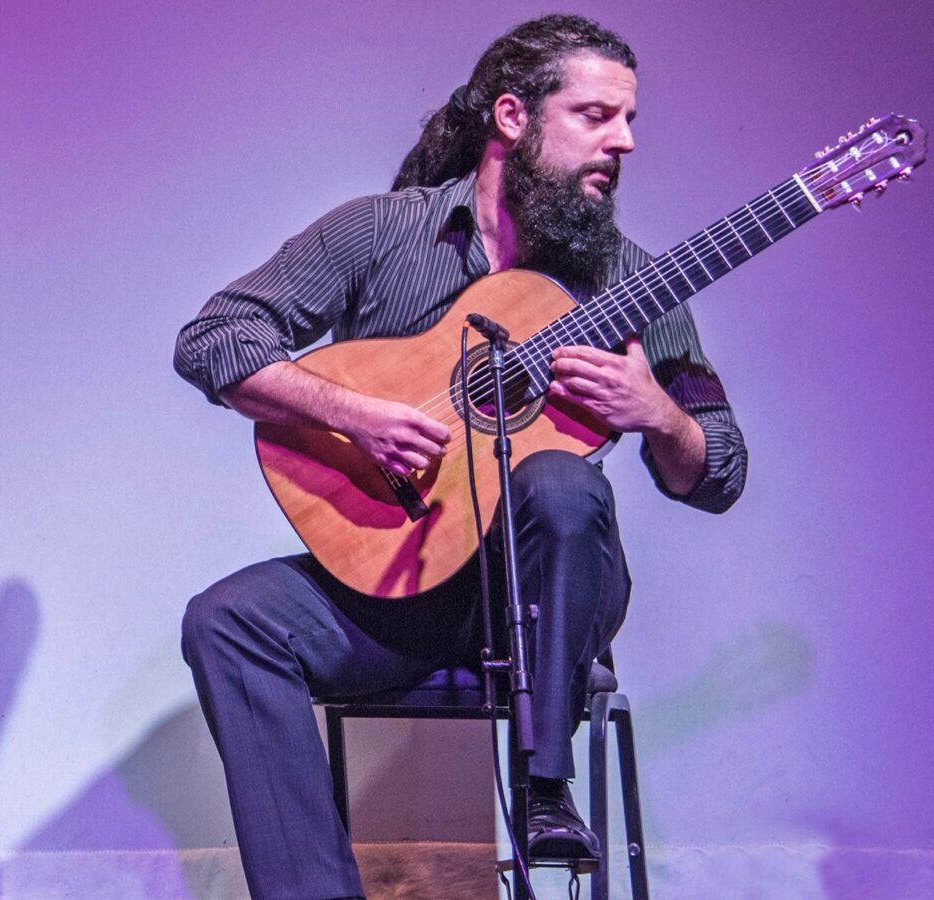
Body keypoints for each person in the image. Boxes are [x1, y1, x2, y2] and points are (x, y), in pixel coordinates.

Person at [174, 14, 747, 899]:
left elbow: (720, 469)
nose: (624, 141)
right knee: (229, 619)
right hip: (403, 586)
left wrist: (661, 414)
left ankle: (546, 787)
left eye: (628, 120)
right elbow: (215, 339)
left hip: (545, 596)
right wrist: (356, 414)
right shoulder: (380, 233)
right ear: (512, 119)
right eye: (596, 116)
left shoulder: (633, 280)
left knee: (558, 482)